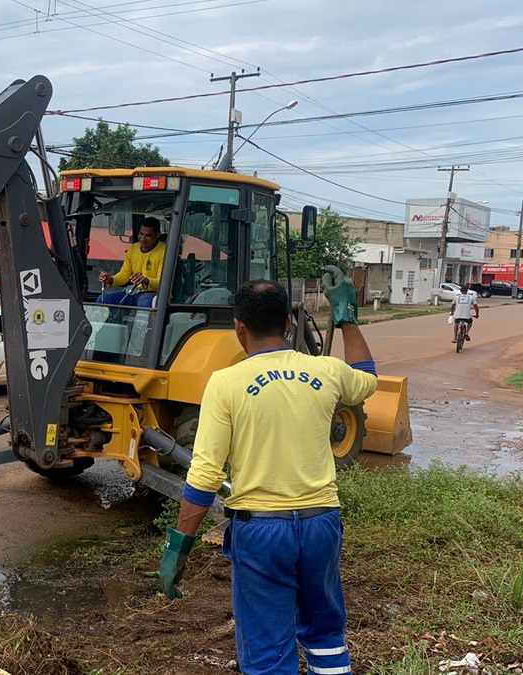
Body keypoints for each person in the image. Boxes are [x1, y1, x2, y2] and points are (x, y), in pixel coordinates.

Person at [156, 267, 378, 675]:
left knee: (266, 649)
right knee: (326, 636)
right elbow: (367, 378)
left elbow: (205, 476)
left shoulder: (225, 383)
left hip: (261, 534)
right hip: (321, 525)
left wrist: (178, 549)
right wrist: (346, 315)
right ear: (290, 322)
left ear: (239, 327)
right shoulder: (326, 371)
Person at [98, 217, 167, 308]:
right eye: (141, 234)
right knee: (102, 299)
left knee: (144, 304)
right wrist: (111, 280)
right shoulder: (133, 248)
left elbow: (163, 283)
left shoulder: (165, 251)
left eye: (148, 235)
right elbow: (125, 274)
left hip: (153, 293)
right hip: (133, 291)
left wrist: (146, 281)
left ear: (158, 234)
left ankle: (141, 323)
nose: (142, 238)